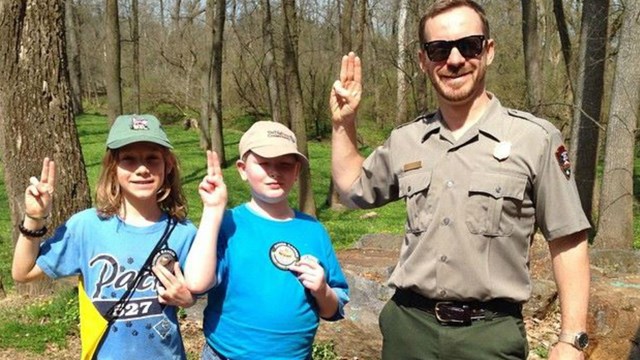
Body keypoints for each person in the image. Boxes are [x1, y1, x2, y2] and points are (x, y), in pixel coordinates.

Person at [329, 1, 590, 359]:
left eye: (468, 45)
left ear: (489, 51)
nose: (454, 60)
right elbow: (351, 190)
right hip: (409, 331)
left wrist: (571, 338)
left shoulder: (536, 139)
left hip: (489, 336)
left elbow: (569, 240)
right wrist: (344, 123)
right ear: (424, 60)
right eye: (439, 49)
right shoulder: (407, 140)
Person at [12, 114, 198, 359]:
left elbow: (205, 292)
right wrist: (34, 217)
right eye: (129, 160)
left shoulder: (184, 233)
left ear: (168, 165)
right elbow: (22, 273)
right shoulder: (86, 227)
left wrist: (189, 299)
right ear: (113, 168)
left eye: (152, 159)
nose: (142, 169)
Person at [184, 120, 350, 360]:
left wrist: (322, 290)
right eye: (263, 163)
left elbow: (333, 309)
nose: (274, 172)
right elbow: (197, 283)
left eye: (284, 164)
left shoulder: (314, 231)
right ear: (242, 169)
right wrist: (212, 210)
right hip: (226, 355)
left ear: (296, 172)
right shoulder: (227, 223)